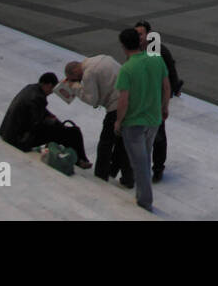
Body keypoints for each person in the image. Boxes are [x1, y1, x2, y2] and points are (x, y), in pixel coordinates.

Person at [114, 28, 170, 211]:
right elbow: (166, 87)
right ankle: (141, 195)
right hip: (153, 120)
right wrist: (164, 107)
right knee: (144, 159)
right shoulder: (156, 59)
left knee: (140, 165)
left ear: (123, 46)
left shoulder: (127, 69)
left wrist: (118, 121)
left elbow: (123, 100)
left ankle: (145, 202)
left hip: (134, 124)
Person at [0, 72, 92, 169]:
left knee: (65, 131)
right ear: (48, 85)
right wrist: (55, 124)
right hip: (19, 138)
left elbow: (37, 111)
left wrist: (52, 119)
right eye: (52, 89)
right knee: (71, 132)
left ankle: (80, 159)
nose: (51, 92)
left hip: (7, 132)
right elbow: (37, 123)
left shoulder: (31, 88)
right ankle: (81, 159)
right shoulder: (38, 97)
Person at [62, 55, 130, 184]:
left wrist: (75, 87)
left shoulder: (88, 73)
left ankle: (101, 175)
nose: (79, 80)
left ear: (76, 72)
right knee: (122, 142)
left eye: (75, 79)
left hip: (116, 105)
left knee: (106, 142)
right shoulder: (101, 58)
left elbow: (92, 99)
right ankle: (124, 177)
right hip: (130, 99)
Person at [134, 20, 182, 183]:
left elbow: (170, 72)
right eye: (137, 34)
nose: (138, 37)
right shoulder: (137, 49)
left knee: (158, 135)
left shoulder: (159, 51)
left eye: (140, 33)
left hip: (157, 99)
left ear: (148, 34)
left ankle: (158, 168)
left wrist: (172, 93)